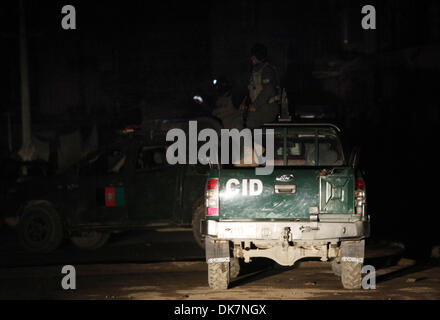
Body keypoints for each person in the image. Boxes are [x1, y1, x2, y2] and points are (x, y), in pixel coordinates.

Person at [242, 43, 280, 128]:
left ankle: (255, 141)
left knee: (251, 120)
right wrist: (245, 104)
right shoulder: (254, 71)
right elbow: (250, 90)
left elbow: (268, 90)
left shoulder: (267, 70)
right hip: (259, 106)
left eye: (254, 57)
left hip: (268, 107)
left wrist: (255, 105)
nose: (252, 59)